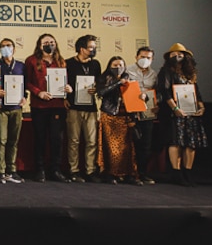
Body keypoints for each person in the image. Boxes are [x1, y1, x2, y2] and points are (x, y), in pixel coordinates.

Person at [157, 43, 207, 187]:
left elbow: (196, 92)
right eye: (174, 54)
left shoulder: (190, 73)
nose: (177, 57)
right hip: (174, 113)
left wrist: (201, 106)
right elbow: (164, 91)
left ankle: (188, 172)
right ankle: (176, 172)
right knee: (175, 142)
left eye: (180, 54)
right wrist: (175, 108)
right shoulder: (165, 71)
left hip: (191, 112)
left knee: (190, 144)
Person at [24, 34, 72, 183]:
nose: (49, 45)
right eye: (46, 43)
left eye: (52, 42)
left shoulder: (61, 61)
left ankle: (56, 170)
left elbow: (66, 81)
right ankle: (40, 170)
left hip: (58, 106)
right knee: (40, 138)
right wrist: (39, 92)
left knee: (57, 139)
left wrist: (68, 88)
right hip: (39, 106)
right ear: (39, 45)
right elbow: (26, 82)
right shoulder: (31, 60)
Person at [0, 38, 28, 184]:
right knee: (0, 140)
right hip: (0, 107)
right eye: (2, 46)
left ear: (14, 48)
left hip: (16, 108)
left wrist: (24, 98)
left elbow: (25, 86)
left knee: (13, 140)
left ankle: (11, 170)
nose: (6, 48)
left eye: (8, 46)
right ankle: (0, 171)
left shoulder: (21, 66)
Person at [95, 56, 143, 185]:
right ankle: (110, 174)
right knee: (111, 149)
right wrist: (118, 83)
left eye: (121, 65)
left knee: (127, 149)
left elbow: (134, 99)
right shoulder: (104, 78)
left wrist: (142, 97)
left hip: (126, 117)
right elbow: (101, 93)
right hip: (110, 116)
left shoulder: (129, 78)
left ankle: (128, 174)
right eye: (115, 65)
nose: (118, 68)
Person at [64, 34, 101, 183]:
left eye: (94, 47)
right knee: (74, 141)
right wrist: (64, 99)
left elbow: (100, 82)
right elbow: (62, 84)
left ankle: (90, 170)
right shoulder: (68, 63)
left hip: (91, 107)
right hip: (73, 107)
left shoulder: (96, 64)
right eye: (90, 47)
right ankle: (74, 170)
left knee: (91, 141)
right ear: (81, 49)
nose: (93, 50)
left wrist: (97, 89)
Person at [126, 46, 159, 184]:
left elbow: (157, 93)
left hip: (148, 113)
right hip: (131, 112)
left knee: (146, 144)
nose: (145, 60)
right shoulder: (127, 71)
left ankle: (143, 173)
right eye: (142, 57)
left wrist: (157, 104)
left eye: (148, 58)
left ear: (152, 59)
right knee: (130, 144)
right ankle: (130, 173)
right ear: (136, 57)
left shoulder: (154, 75)